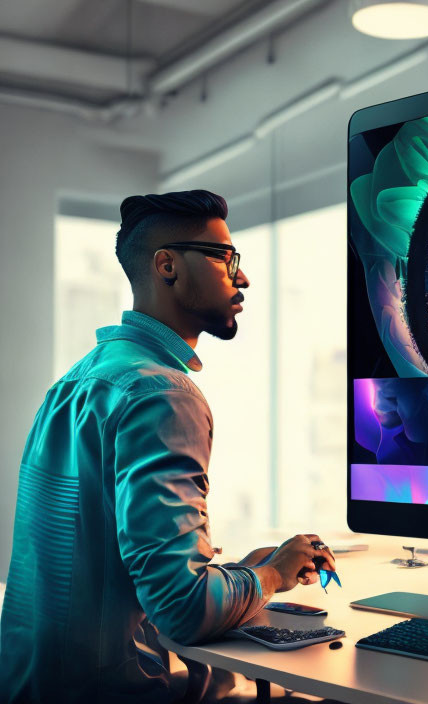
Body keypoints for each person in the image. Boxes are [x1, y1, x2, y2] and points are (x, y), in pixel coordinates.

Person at [0, 190, 336, 703]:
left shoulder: (78, 381)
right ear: (167, 265)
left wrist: (241, 573)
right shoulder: (162, 394)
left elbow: (117, 565)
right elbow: (182, 609)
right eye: (225, 258)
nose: (241, 277)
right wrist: (272, 575)